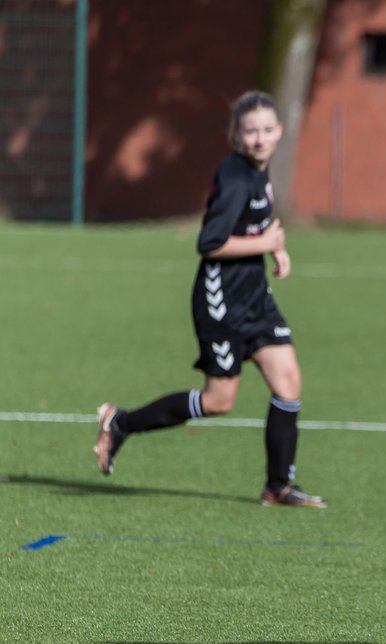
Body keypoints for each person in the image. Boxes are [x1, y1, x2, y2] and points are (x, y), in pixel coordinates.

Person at [93, 91, 325, 508]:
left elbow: (260, 221)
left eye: (267, 130)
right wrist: (265, 242)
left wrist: (277, 248)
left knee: (288, 381)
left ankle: (279, 486)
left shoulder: (259, 170)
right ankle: (121, 422)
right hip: (221, 301)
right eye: (251, 131)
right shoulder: (235, 178)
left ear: (280, 131)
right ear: (236, 134)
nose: (259, 139)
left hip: (254, 296)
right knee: (219, 401)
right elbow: (210, 243)